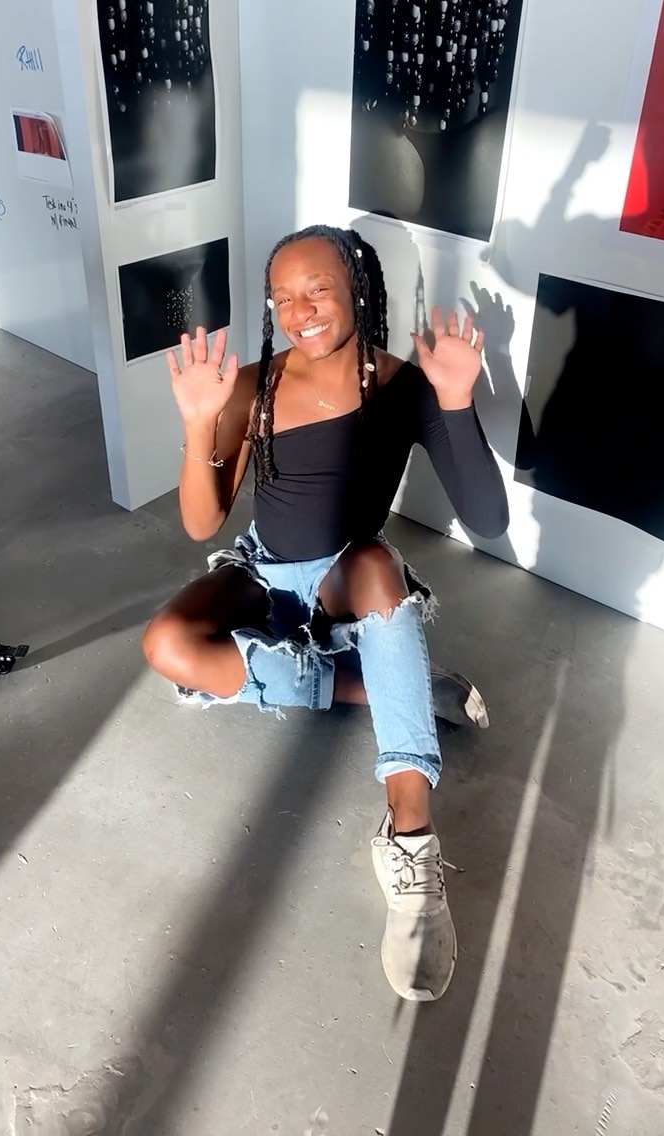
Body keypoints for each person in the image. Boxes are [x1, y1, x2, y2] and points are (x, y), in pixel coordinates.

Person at [143, 225, 509, 1002]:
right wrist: (199, 424)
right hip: (263, 574)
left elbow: (489, 518)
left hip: (348, 583)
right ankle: (391, 687)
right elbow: (203, 523)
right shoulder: (255, 385)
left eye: (317, 290)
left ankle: (410, 837)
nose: (299, 311)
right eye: (282, 297)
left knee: (377, 564)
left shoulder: (404, 386)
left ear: (357, 289)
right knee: (167, 645)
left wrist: (455, 401)